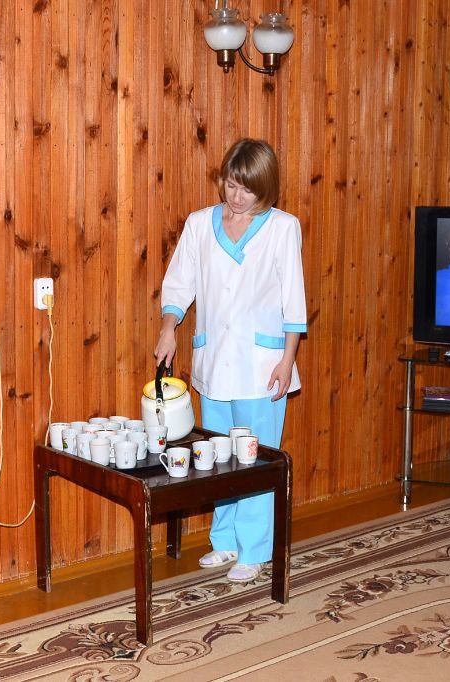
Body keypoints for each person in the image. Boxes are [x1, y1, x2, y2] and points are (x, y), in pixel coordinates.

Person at [154, 138, 307, 583]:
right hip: (214, 360)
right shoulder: (199, 224)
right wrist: (169, 327)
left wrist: (287, 359)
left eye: (247, 190)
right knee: (219, 457)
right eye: (231, 185)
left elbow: (293, 299)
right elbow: (179, 283)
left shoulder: (283, 228)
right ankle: (224, 541)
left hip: (263, 365)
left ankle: (254, 549)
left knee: (254, 458)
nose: (236, 197)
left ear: (266, 189)